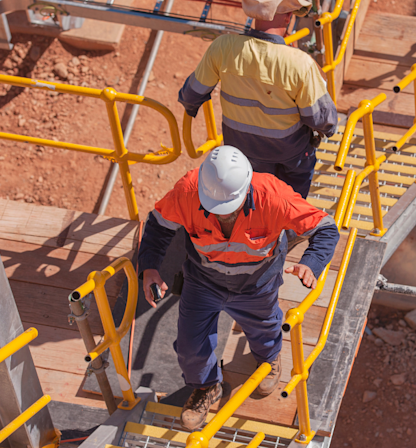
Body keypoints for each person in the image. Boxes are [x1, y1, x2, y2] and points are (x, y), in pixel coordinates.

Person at [138, 146, 340, 430]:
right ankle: (206, 387)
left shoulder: (274, 195)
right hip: (203, 281)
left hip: (256, 284)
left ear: (246, 189)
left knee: (265, 328)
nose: (223, 215)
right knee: (189, 346)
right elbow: (159, 225)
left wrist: (311, 263)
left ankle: (269, 359)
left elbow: (326, 227)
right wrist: (149, 268)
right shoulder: (187, 191)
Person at [178, 0, 337, 199]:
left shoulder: (223, 47)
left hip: (239, 156)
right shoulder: (300, 63)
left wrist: (190, 106)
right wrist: (327, 130)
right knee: (289, 202)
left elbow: (191, 94)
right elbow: (322, 119)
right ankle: (288, 229)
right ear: (287, 17)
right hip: (290, 156)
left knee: (247, 200)